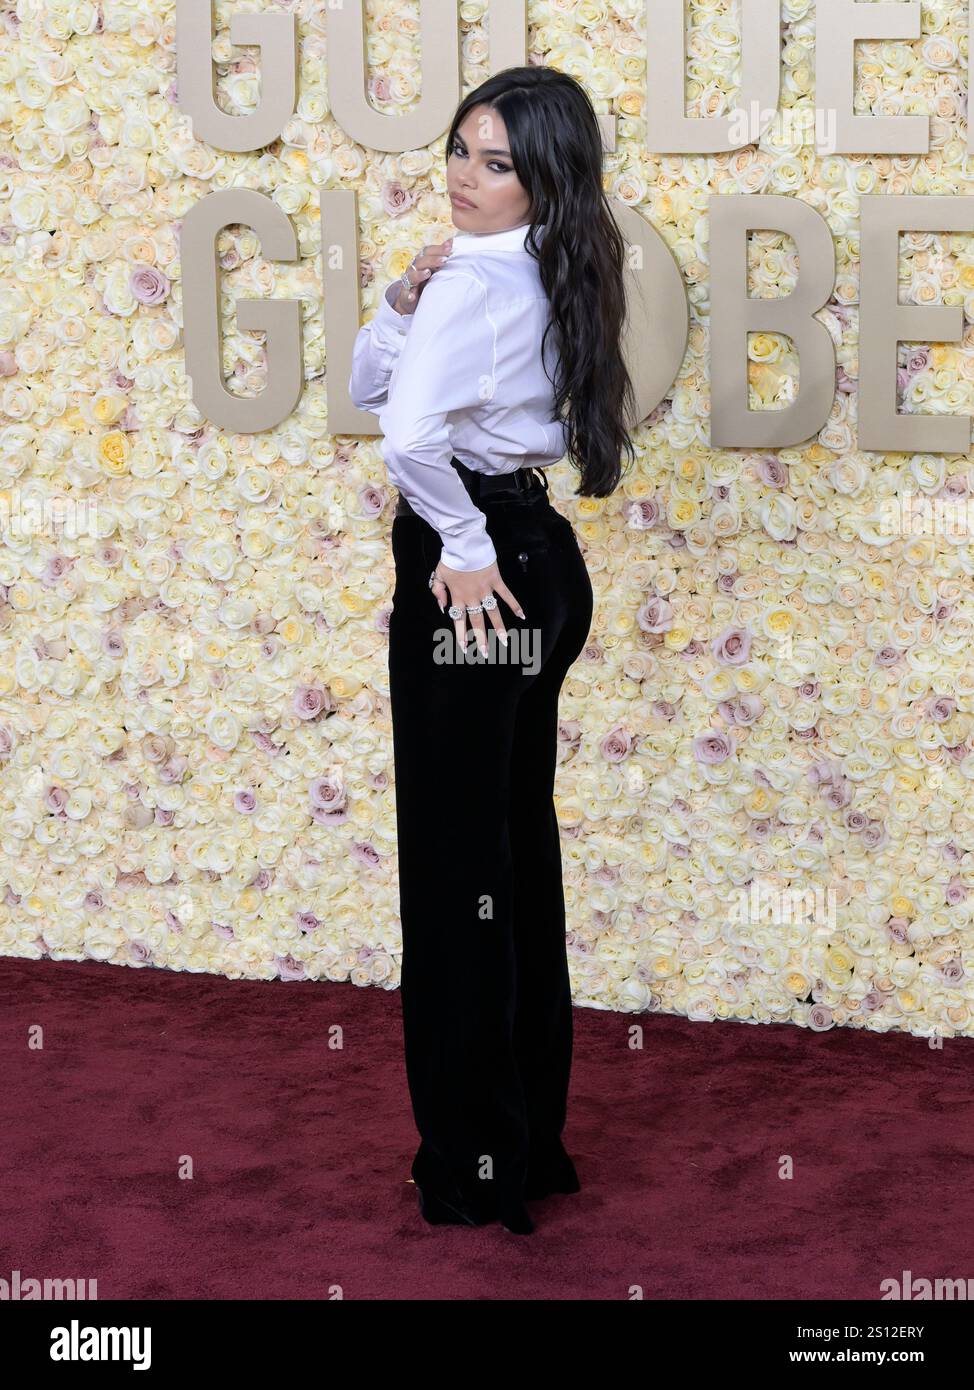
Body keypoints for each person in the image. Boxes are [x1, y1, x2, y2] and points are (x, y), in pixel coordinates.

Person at [349, 66, 636, 1234]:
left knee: (455, 872)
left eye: (496, 163)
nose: (464, 179)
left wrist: (458, 546)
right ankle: (525, 1145)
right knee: (510, 859)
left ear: (543, 178)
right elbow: (375, 381)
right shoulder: (549, 264)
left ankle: (472, 1166)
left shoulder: (481, 278)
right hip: (542, 566)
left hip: (478, 581)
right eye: (460, 151)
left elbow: (405, 437)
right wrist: (401, 300)